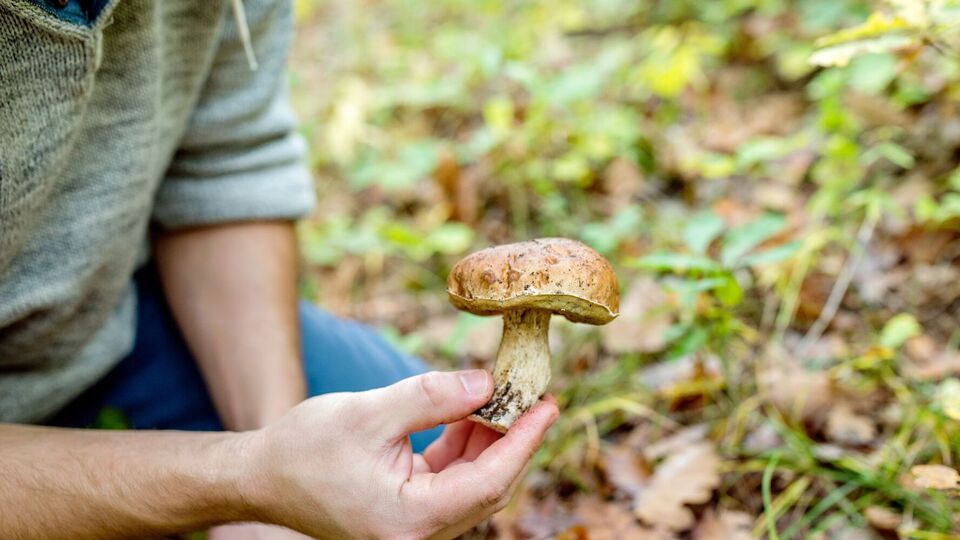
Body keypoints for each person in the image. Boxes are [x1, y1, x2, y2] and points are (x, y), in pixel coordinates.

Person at [0, 0, 558, 538]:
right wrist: (246, 478)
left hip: (108, 311)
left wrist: (277, 449)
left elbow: (225, 160)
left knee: (430, 451)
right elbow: (251, 476)